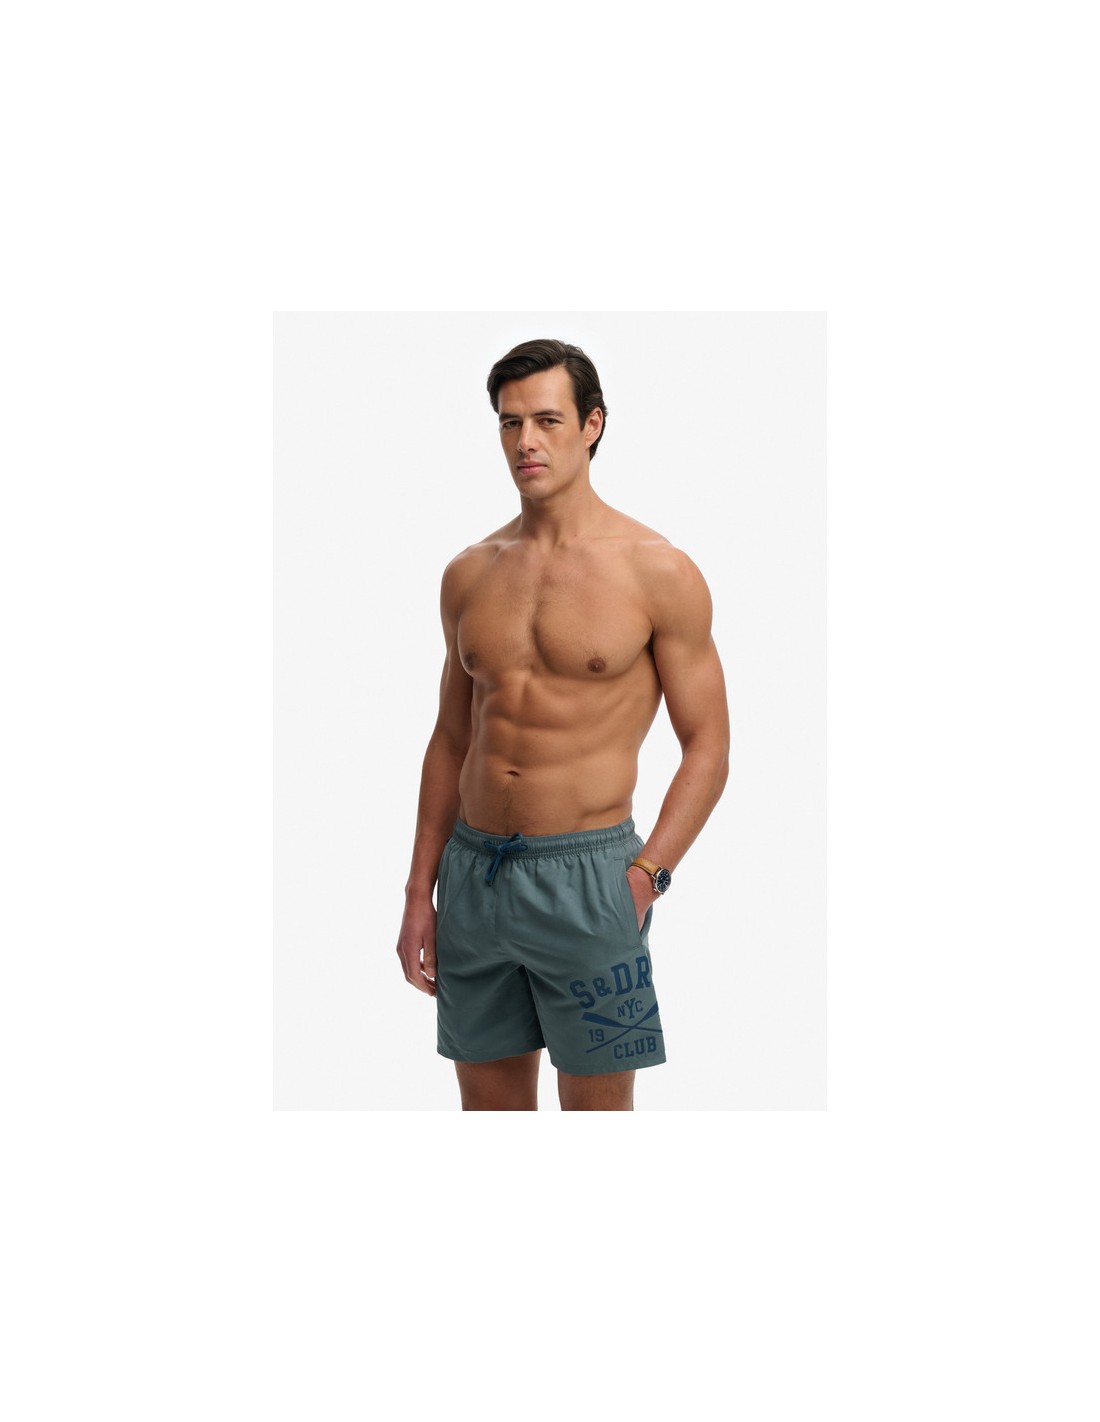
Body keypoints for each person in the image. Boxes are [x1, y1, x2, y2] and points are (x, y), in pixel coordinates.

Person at [396, 338, 730, 1111]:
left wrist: (646, 877)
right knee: (491, 1117)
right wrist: (420, 890)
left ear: (592, 425)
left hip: (592, 882)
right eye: (510, 423)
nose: (526, 442)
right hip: (473, 879)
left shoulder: (657, 570)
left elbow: (708, 746)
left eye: (547, 420)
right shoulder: (470, 573)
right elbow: (452, 739)